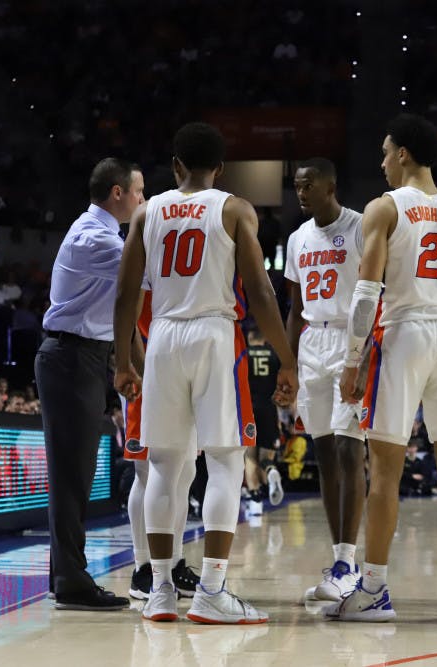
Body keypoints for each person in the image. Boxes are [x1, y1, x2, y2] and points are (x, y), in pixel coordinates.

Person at [113, 122, 298, 624]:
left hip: (163, 340)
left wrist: (123, 361)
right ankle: (213, 591)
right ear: (221, 168)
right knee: (224, 462)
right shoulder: (235, 208)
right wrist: (286, 359)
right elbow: (260, 291)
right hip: (215, 335)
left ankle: (160, 591)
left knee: (164, 469)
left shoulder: (148, 212)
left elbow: (127, 293)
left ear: (175, 165)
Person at [330, 113, 437, 624]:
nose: (380, 162)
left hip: (404, 333)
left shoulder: (384, 209)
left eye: (384, 152)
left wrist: (352, 361)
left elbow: (364, 298)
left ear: (403, 153)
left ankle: (374, 589)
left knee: (384, 474)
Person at [37, 157, 145, 611]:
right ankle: (72, 581)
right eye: (139, 192)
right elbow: (147, 270)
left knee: (76, 475)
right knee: (70, 476)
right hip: (70, 357)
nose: (144, 200)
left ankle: (64, 575)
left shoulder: (104, 233)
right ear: (117, 193)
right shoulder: (94, 238)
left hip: (85, 356)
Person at [283, 157, 366, 602]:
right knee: (324, 454)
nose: (301, 193)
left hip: (350, 342)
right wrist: (288, 363)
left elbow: (376, 294)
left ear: (330, 185)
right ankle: (340, 559)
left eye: (308, 185)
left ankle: (348, 560)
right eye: (297, 186)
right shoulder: (297, 238)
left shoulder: (359, 227)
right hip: (312, 343)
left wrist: (366, 352)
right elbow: (295, 309)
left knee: (351, 449)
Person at [123, 292, 201, 601]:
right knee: (147, 470)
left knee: (186, 470)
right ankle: (143, 567)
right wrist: (135, 363)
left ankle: (174, 562)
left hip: (184, 361)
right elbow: (125, 309)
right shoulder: (142, 249)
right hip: (150, 362)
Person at [243, 324, 284, 516]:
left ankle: (256, 500)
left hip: (249, 409)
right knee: (266, 457)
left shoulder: (244, 355)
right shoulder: (274, 355)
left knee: (250, 456)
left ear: (249, 337)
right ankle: (270, 471)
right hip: (269, 409)